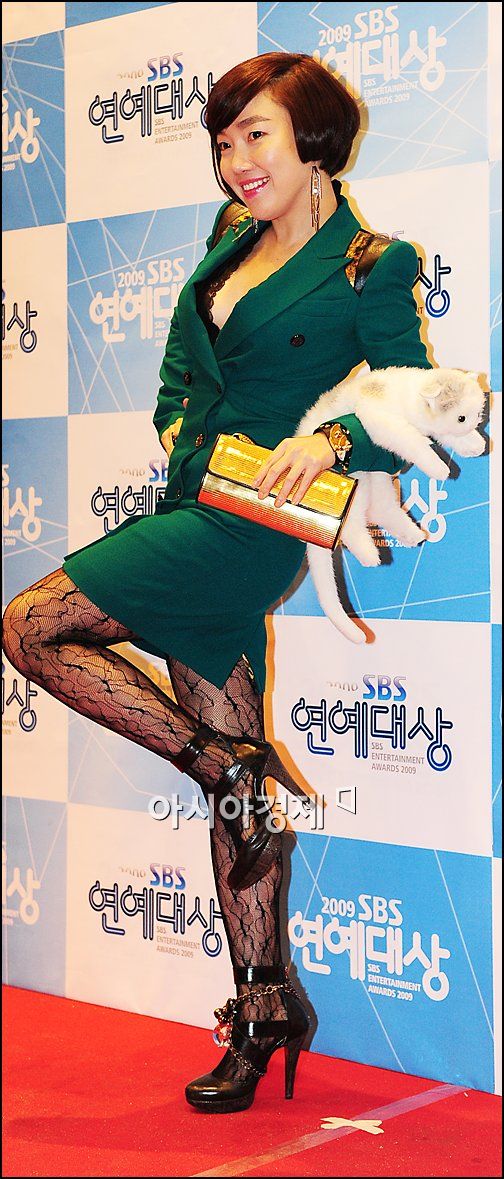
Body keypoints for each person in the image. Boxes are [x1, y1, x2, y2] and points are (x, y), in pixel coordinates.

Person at [2, 51, 431, 1114]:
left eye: (258, 135)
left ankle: (226, 760)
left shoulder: (373, 263)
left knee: (30, 625)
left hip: (253, 528)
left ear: (313, 142)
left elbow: (411, 396)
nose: (237, 159)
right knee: (239, 805)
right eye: (225, 139)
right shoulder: (228, 236)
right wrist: (175, 422)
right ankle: (265, 1005)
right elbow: (185, 361)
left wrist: (332, 439)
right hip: (194, 498)